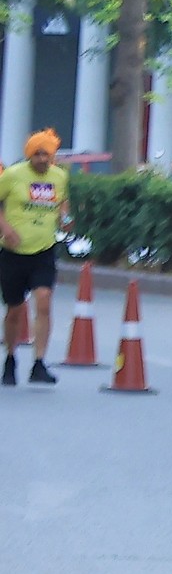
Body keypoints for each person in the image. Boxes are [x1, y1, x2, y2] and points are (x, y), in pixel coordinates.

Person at [1, 129, 70, 386]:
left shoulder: (59, 176)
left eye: (46, 154)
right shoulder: (13, 175)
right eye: (37, 154)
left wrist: (66, 218)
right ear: (29, 155)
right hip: (13, 253)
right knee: (15, 310)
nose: (42, 159)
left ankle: (39, 363)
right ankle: (10, 359)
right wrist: (5, 228)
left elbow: (63, 202)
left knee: (44, 300)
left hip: (44, 249)